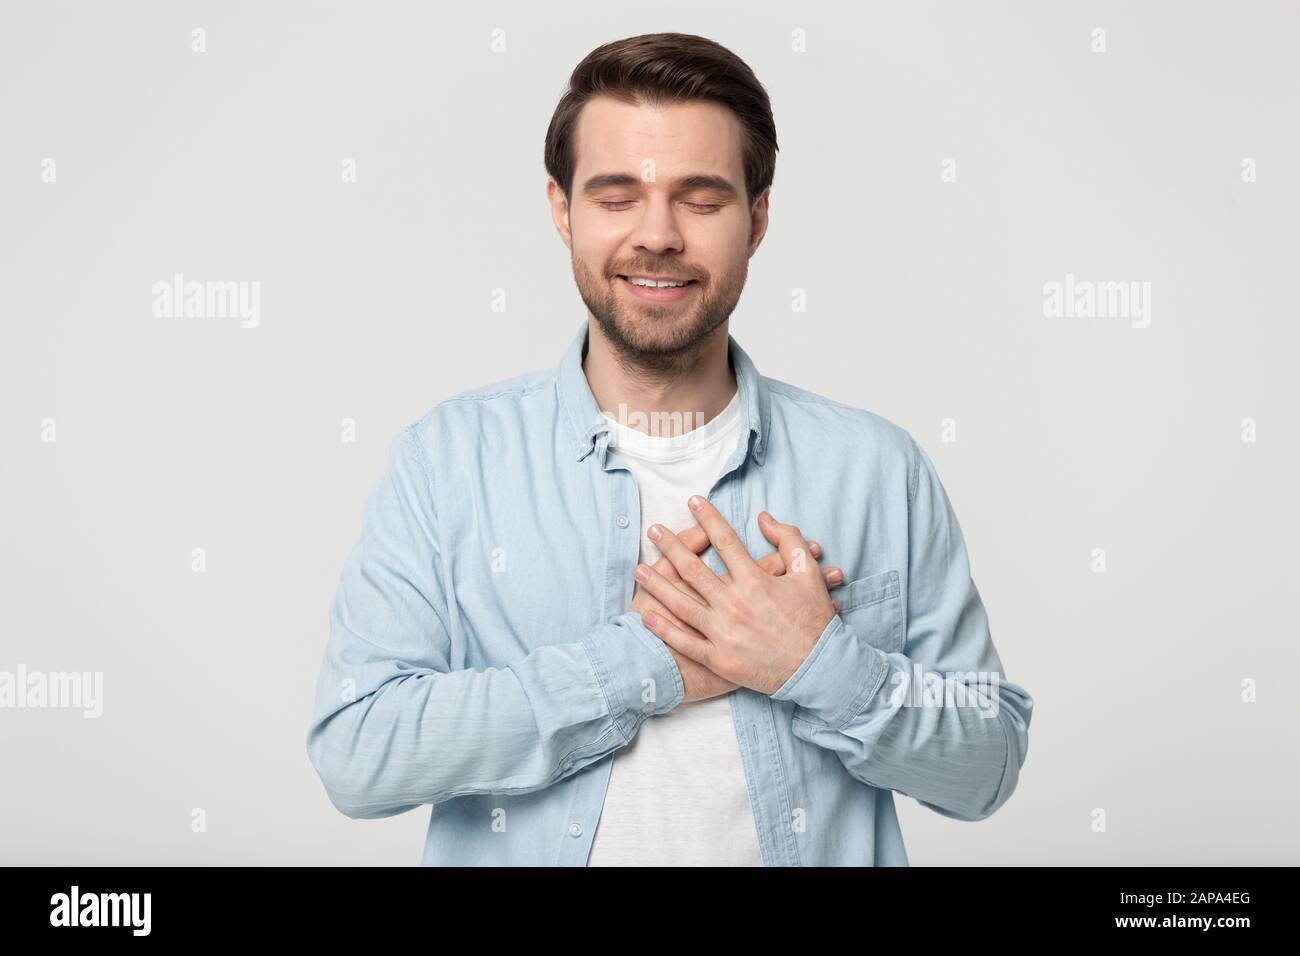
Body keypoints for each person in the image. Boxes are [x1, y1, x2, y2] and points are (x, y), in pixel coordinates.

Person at [306, 32, 1033, 866]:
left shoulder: (877, 469)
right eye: (616, 196)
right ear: (560, 209)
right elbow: (358, 752)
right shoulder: (446, 462)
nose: (657, 236)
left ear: (757, 218)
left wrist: (816, 666)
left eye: (701, 198)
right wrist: (641, 663)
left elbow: (989, 764)